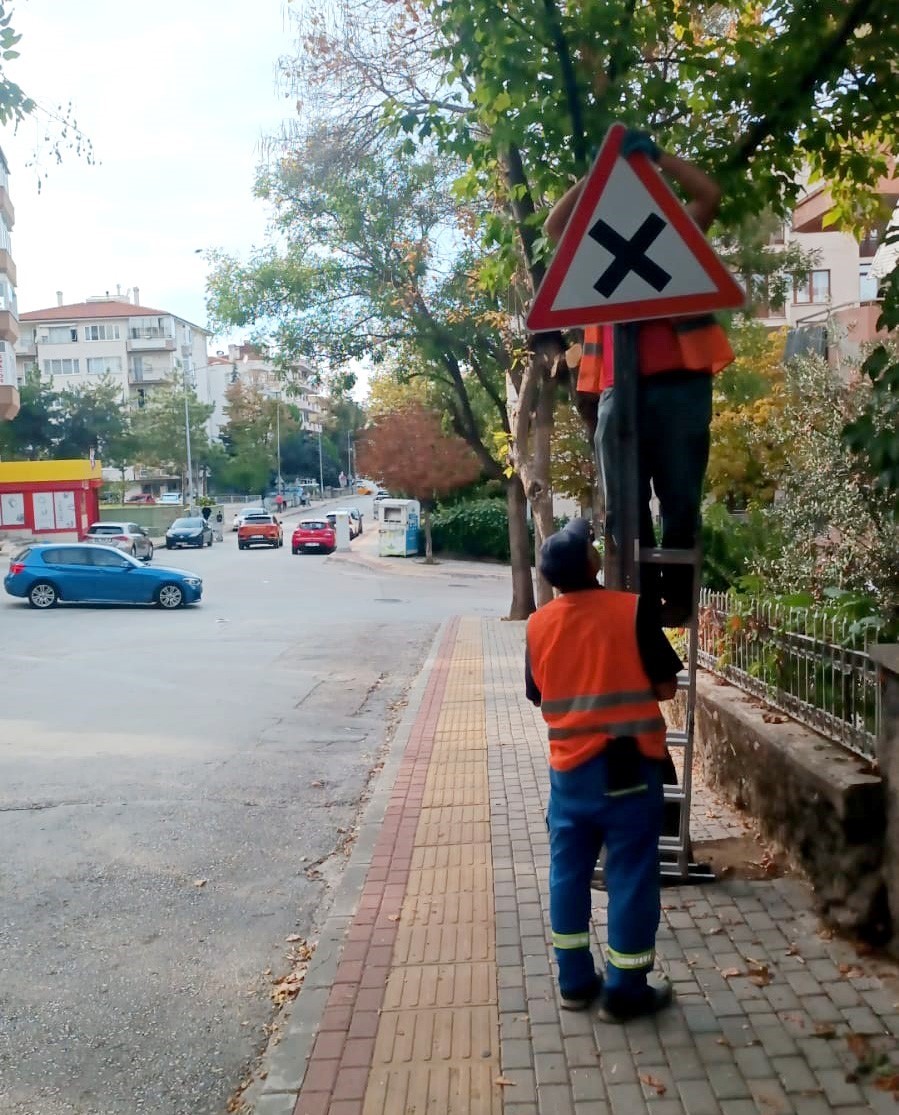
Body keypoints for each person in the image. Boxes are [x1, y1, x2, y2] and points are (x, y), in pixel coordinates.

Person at [545, 130, 734, 625]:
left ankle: (678, 597)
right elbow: (553, 226)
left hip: (681, 383)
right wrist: (599, 169)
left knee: (679, 502)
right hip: (617, 389)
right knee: (625, 508)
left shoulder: (675, 236)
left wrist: (659, 157)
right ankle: (637, 597)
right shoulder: (596, 249)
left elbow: (710, 195)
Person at [525, 517, 683, 1020]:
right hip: (628, 768)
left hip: (568, 774)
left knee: (567, 874)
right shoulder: (630, 611)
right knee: (631, 874)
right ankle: (625, 990)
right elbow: (664, 689)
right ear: (592, 565)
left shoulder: (537, 623)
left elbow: (538, 694)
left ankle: (573, 982)